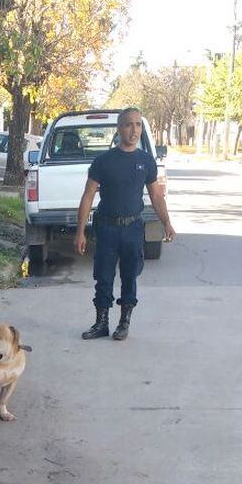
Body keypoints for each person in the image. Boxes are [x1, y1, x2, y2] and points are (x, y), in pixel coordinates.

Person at [75, 107, 175, 342]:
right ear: (119, 128)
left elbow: (156, 196)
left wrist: (167, 223)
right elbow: (88, 195)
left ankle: (124, 323)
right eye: (129, 125)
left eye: (138, 125)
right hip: (107, 228)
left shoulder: (146, 161)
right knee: (104, 278)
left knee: (130, 277)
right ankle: (101, 323)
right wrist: (80, 231)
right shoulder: (103, 161)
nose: (134, 130)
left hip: (132, 229)